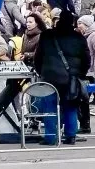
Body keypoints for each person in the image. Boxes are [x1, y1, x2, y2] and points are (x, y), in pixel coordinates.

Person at [37, 9, 89, 145]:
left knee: (49, 106)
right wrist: (80, 74)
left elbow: (38, 56)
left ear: (58, 20)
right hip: (71, 78)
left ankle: (50, 137)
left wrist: (41, 71)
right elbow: (86, 59)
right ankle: (71, 135)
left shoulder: (47, 35)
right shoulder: (79, 38)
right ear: (72, 22)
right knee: (71, 105)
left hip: (50, 76)